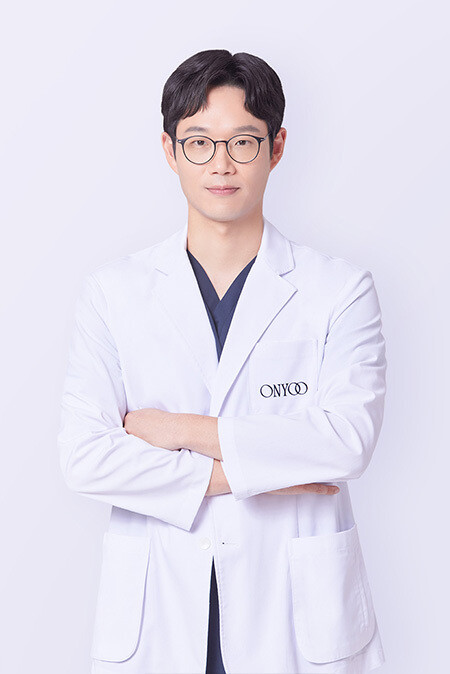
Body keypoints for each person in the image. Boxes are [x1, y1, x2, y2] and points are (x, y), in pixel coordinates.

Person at [58, 49, 387, 674]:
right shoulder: (114, 292)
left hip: (295, 618)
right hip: (158, 610)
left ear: (277, 147)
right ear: (169, 149)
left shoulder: (338, 290)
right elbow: (85, 457)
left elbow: (346, 444)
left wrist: (176, 431)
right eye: (200, 142)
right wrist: (265, 469)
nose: (222, 164)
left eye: (243, 141)